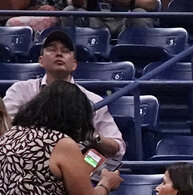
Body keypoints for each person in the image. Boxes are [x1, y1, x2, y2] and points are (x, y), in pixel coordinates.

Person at [3, 28, 123, 158]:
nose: (59, 54)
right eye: (52, 49)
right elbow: (3, 126)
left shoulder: (92, 99)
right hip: (26, 157)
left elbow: (117, 147)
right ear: (41, 60)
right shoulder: (20, 90)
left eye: (65, 51)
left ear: (74, 64)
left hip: (75, 161)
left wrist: (92, 136)